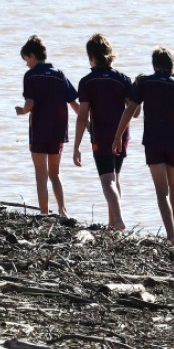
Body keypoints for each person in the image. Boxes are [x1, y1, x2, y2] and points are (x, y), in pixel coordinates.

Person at [112, 46, 174, 244]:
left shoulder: (145, 83)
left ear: (154, 65)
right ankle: (173, 232)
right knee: (172, 188)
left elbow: (130, 111)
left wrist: (118, 136)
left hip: (153, 141)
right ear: (173, 65)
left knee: (161, 192)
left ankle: (171, 237)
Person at [72, 34, 135, 231]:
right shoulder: (123, 79)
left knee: (107, 181)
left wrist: (76, 146)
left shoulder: (87, 82)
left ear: (91, 56)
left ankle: (118, 220)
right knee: (115, 178)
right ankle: (112, 224)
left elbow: (82, 116)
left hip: (101, 134)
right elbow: (135, 111)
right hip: (122, 135)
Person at [14, 35, 79, 216]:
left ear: (32, 56)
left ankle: (44, 213)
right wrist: (87, 123)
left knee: (41, 175)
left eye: (26, 59)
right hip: (58, 130)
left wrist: (22, 111)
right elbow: (73, 102)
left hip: (39, 130)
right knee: (55, 174)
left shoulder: (30, 76)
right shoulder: (59, 74)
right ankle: (63, 210)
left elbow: (30, 103)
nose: (26, 64)